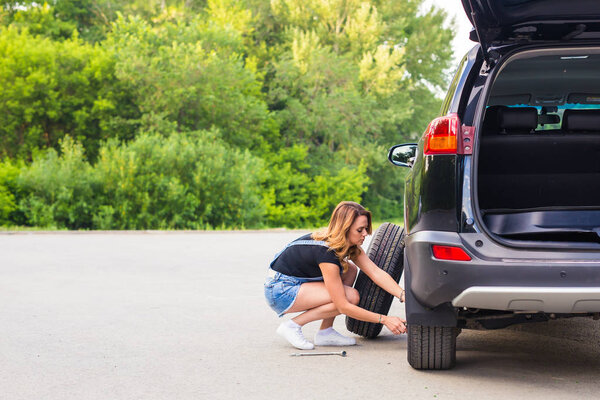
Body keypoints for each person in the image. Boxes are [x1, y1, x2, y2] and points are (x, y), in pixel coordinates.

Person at [264, 201, 407, 350]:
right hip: (280, 290)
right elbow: (343, 306)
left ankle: (325, 332)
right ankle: (292, 326)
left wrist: (402, 295)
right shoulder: (327, 254)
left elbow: (375, 272)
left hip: (293, 282)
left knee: (350, 270)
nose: (365, 234)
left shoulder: (346, 245)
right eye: (360, 230)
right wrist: (384, 320)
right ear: (345, 229)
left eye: (365, 228)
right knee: (351, 297)